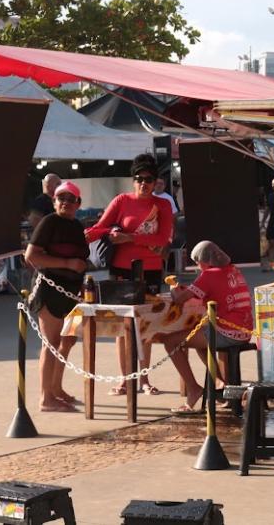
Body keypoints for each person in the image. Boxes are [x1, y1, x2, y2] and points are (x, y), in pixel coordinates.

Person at [85, 153, 174, 397]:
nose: (143, 183)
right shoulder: (121, 200)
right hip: (121, 270)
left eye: (148, 179)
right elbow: (99, 227)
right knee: (122, 326)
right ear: (133, 180)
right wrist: (80, 235)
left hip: (151, 270)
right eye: (139, 178)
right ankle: (125, 381)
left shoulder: (163, 205)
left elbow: (162, 238)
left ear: (155, 182)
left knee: (145, 326)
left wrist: (129, 238)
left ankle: (144, 379)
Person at [161, 240, 254, 413]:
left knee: (170, 341)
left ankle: (193, 389)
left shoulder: (208, 275)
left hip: (227, 333)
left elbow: (179, 299)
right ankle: (219, 381)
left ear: (204, 261)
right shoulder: (234, 270)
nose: (197, 266)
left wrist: (175, 289)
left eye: (197, 262)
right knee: (198, 335)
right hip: (245, 331)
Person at [24, 181, 88, 412]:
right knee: (51, 343)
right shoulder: (49, 222)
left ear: (78, 203)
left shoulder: (77, 226)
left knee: (68, 341)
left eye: (71, 199)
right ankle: (45, 398)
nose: (66, 203)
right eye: (61, 198)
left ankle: (56, 389)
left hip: (72, 293)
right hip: (50, 290)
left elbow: (82, 258)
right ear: (54, 201)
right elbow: (31, 256)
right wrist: (67, 263)